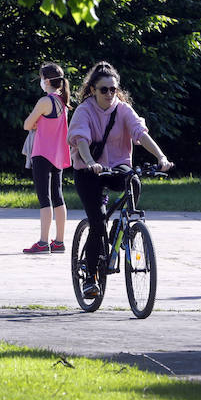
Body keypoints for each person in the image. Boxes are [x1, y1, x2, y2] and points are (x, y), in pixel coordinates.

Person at [68, 62, 173, 298]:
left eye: (112, 89)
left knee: (133, 180)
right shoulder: (84, 111)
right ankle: (90, 277)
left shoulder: (123, 110)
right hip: (89, 171)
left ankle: (123, 225)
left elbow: (140, 133)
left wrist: (161, 157)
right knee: (97, 223)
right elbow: (81, 139)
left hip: (116, 166)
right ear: (93, 89)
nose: (108, 94)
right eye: (103, 90)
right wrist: (89, 161)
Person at [21, 63, 71, 254]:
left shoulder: (45, 101)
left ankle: (43, 242)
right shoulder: (63, 101)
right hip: (58, 154)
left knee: (44, 198)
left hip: (42, 154)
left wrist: (35, 124)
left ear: (47, 80)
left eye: (41, 78)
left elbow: (27, 124)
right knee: (58, 197)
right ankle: (59, 241)